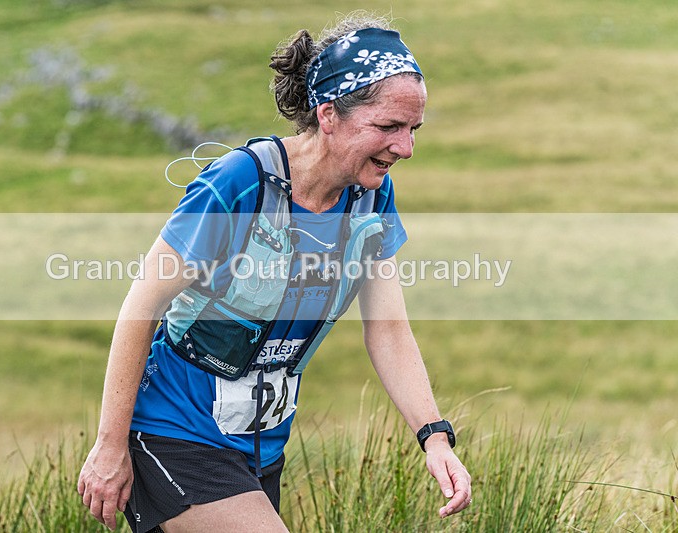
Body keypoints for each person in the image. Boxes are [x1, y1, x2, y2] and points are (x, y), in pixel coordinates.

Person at [78, 12, 472, 532]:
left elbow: (388, 328)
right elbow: (142, 305)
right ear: (328, 114)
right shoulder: (242, 181)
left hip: (260, 452)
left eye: (412, 129)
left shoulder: (370, 198)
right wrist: (110, 446)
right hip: (176, 433)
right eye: (388, 127)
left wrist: (434, 436)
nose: (405, 148)